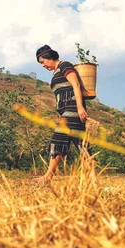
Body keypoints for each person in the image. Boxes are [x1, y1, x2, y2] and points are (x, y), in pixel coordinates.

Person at [36, 44, 88, 184]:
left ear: (49, 57)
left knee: (58, 140)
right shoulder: (56, 71)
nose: (43, 65)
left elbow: (76, 85)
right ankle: (94, 181)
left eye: (43, 62)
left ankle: (47, 177)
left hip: (73, 109)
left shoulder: (65, 65)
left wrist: (80, 107)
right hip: (66, 111)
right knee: (81, 146)